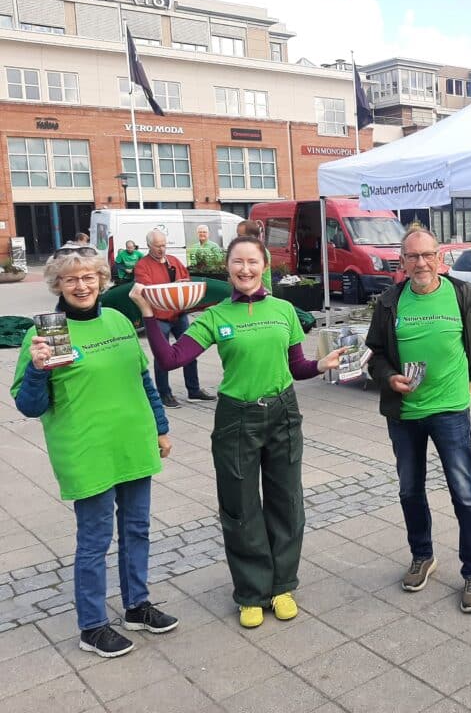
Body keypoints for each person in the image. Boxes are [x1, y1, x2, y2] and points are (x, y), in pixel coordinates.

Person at [129, 235, 346, 629]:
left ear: (265, 265)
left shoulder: (284, 311)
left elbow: (297, 366)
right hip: (235, 418)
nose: (245, 269)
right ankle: (250, 591)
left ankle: (281, 586)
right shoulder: (215, 316)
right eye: (237, 263)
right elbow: (171, 358)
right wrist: (147, 312)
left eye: (252, 262)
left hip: (283, 412)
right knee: (240, 507)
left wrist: (321, 364)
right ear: (227, 268)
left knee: (286, 502)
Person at [11, 244, 177, 659]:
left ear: (101, 281)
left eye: (89, 277)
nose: (81, 285)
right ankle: (92, 626)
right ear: (58, 285)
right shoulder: (45, 334)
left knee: (137, 529)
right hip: (85, 449)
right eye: (71, 279)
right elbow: (29, 406)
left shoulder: (120, 319)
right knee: (95, 540)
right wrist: (36, 368)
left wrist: (160, 426)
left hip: (132, 442)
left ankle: (136, 606)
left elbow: (142, 378)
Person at [365, 228, 471, 613]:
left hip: (449, 411)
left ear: (439, 257)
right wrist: (388, 377)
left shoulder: (463, 295)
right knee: (410, 490)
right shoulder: (390, 302)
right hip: (405, 413)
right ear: (402, 262)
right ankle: (422, 555)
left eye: (427, 255)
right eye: (412, 257)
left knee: (464, 493)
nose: (421, 263)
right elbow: (375, 353)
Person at [133, 229, 216, 408]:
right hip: (158, 317)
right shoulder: (142, 266)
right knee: (162, 356)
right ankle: (165, 394)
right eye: (157, 246)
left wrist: (183, 284)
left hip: (179, 313)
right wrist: (173, 286)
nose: (162, 249)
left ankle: (193, 390)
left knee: (190, 351)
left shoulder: (174, 261)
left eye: (164, 245)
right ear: (148, 246)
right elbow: (147, 289)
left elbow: (185, 277)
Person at [237, 219, 272, 291]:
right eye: (237, 235)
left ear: (252, 236)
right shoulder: (243, 249)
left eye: (240, 236)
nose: (237, 238)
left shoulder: (260, 251)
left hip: (262, 292)